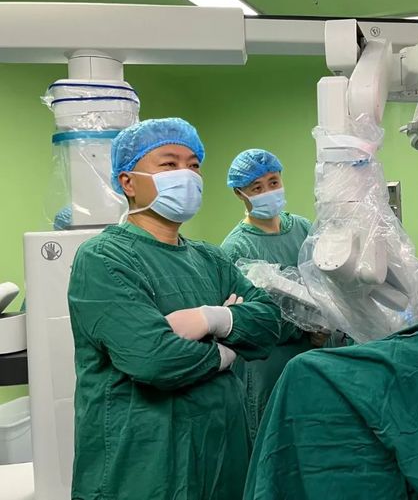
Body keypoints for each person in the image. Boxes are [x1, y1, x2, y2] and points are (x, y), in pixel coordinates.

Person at [67, 118, 281, 500]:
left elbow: (268, 322)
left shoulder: (210, 258)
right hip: (145, 464)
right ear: (128, 182)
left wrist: (211, 319)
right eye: (169, 164)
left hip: (222, 454)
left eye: (193, 165)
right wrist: (229, 348)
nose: (187, 175)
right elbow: (155, 359)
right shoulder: (104, 258)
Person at [221, 148, 327, 440]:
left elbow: (326, 288)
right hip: (268, 364)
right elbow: (246, 320)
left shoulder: (303, 228)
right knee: (275, 438)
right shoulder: (235, 248)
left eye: (273, 182)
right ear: (239, 193)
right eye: (257, 188)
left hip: (315, 352)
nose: (268, 191)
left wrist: (326, 326)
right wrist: (302, 329)